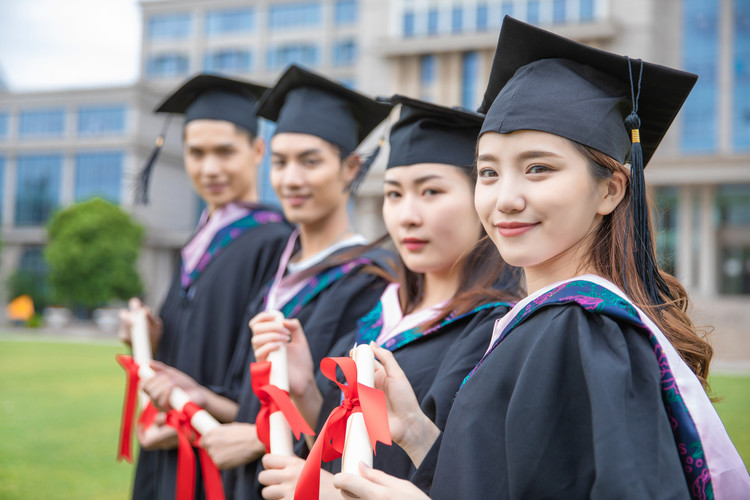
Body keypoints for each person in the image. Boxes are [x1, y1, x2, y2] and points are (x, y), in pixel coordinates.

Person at [331, 17, 750, 500]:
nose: (505, 198)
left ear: (610, 190)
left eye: (538, 168)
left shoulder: (582, 331)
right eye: (488, 172)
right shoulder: (542, 325)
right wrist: (415, 431)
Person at [252, 95, 522, 500]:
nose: (407, 215)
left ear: (481, 196)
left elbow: (474, 483)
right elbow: (339, 450)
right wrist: (306, 390)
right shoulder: (378, 309)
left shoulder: (496, 333)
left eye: (431, 192)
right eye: (394, 194)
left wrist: (332, 492)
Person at [188, 65, 395, 500]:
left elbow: (353, 419)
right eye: (280, 162)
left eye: (311, 161)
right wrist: (200, 397)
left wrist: (254, 437)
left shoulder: (369, 280)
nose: (291, 179)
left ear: (350, 168)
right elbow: (253, 400)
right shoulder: (275, 273)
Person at [116, 74, 294, 500]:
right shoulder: (198, 241)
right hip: (165, 446)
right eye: (196, 153)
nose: (209, 168)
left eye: (225, 151)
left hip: (217, 466)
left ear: (257, 151)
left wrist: (199, 416)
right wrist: (154, 337)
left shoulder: (275, 240)